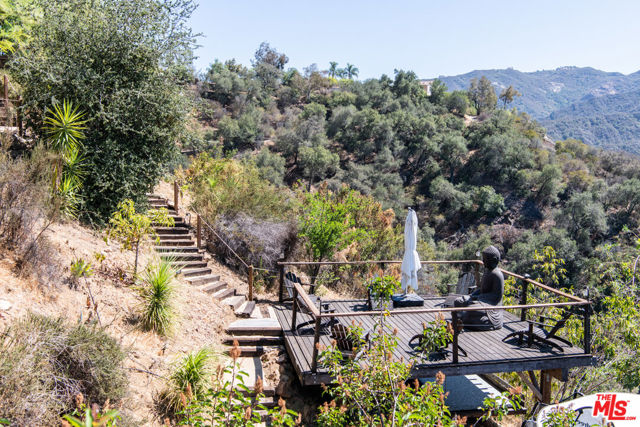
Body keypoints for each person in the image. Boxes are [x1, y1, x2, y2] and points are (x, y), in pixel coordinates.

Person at [454, 245, 504, 330]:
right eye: (483, 259)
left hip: (491, 305)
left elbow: (496, 296)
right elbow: (481, 289)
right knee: (458, 301)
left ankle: (464, 318)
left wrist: (478, 298)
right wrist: (471, 295)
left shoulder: (497, 275)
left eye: (486, 259)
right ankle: (465, 318)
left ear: (494, 260)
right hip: (481, 300)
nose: (483, 261)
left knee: (472, 309)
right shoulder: (487, 271)